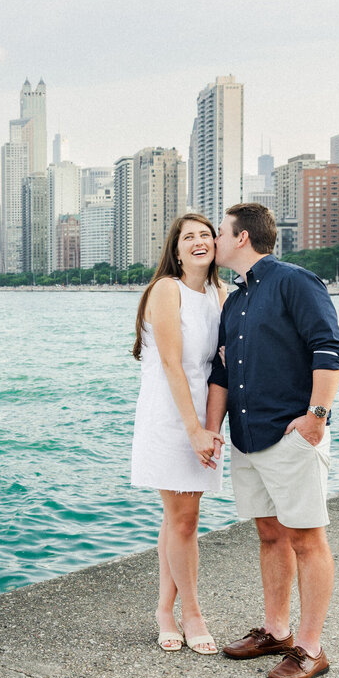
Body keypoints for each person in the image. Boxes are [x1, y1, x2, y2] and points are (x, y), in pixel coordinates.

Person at [204, 203, 339, 678]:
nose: (214, 240)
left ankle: (310, 648)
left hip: (291, 435)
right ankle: (277, 630)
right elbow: (222, 373)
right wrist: (213, 430)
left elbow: (329, 349)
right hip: (247, 437)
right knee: (269, 534)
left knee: (307, 539)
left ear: (242, 238)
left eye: (220, 232)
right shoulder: (235, 301)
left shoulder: (295, 282)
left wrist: (317, 418)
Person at [130, 213, 227, 655]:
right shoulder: (166, 290)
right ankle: (191, 613)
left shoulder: (219, 294)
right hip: (169, 417)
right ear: (176, 249)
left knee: (180, 519)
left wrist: (211, 426)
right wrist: (193, 429)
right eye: (189, 237)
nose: (199, 242)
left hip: (203, 419)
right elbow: (172, 364)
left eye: (206, 235)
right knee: (183, 519)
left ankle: (165, 609)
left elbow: (217, 368)